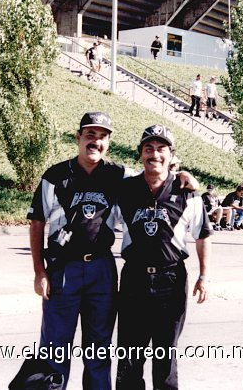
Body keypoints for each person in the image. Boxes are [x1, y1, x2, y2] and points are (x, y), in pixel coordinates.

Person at [22, 112, 199, 390]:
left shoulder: (119, 176)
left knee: (99, 350)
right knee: (55, 349)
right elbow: (37, 223)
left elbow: (154, 175)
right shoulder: (55, 176)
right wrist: (39, 272)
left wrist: (182, 175)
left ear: (108, 143)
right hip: (63, 269)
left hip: (101, 269)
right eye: (90, 135)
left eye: (102, 136)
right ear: (78, 137)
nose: (96, 141)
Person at [115, 124, 211, 390]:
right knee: (129, 356)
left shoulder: (187, 192)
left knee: (165, 354)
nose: (154, 154)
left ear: (171, 155)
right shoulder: (125, 189)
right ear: (140, 154)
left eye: (161, 149)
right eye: (148, 149)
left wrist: (204, 276)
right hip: (134, 278)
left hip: (171, 278)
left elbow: (202, 235)